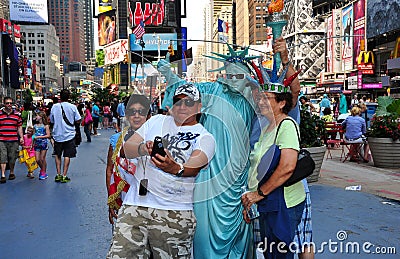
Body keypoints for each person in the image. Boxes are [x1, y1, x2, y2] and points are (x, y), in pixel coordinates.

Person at [157, 36, 300, 258]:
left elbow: (287, 95)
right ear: (223, 74)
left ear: (247, 77)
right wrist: (168, 73)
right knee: (205, 238)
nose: (234, 79)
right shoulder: (211, 91)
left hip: (241, 182)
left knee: (242, 242)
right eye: (230, 74)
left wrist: (284, 58)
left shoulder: (253, 99)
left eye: (239, 75)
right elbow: (184, 90)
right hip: (210, 179)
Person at [107, 84, 216, 258]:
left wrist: (176, 168)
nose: (182, 106)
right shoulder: (156, 121)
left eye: (188, 102)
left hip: (174, 212)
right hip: (135, 207)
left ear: (199, 106)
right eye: (177, 102)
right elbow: (125, 149)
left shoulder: (205, 137)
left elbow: (195, 166)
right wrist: (143, 148)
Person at [242, 87, 305, 259]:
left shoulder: (286, 126)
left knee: (279, 253)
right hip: (268, 202)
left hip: (283, 203)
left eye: (267, 98)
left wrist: (259, 194)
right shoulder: (268, 127)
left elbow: (287, 167)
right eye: (260, 98)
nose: (261, 102)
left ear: (282, 103)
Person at [106, 94, 151, 225]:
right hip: (124, 201)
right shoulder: (117, 139)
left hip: (151, 205)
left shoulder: (156, 139)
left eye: (141, 112)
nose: (136, 116)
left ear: (148, 116)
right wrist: (112, 201)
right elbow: (110, 170)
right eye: (132, 111)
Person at [50, 89, 81, 183]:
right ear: (69, 97)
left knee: (57, 154)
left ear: (60, 96)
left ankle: (58, 174)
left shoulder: (54, 107)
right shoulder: (73, 107)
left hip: (57, 134)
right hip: (70, 135)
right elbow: (78, 119)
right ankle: (64, 175)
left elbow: (51, 120)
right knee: (67, 155)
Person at [0, 97, 24, 184]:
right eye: (7, 103)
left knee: (12, 157)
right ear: (4, 104)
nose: (9, 105)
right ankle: (2, 175)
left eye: (10, 103)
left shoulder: (17, 114)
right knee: (2, 157)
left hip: (13, 139)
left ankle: (11, 172)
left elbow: (19, 127)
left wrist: (21, 137)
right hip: (2, 139)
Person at [33, 111, 51, 180]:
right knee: (37, 159)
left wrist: (39, 137)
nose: (35, 117)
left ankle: (43, 172)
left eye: (37, 116)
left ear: (41, 117)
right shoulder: (35, 126)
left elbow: (48, 135)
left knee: (42, 158)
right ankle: (42, 169)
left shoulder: (46, 126)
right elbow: (34, 135)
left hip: (43, 143)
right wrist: (32, 143)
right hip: (37, 144)